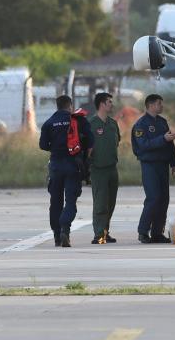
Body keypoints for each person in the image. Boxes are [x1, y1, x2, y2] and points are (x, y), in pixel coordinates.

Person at [39, 93, 93, 248]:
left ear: (57, 106)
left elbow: (43, 145)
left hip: (55, 165)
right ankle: (65, 229)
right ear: (70, 106)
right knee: (70, 201)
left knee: (55, 201)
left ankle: (57, 235)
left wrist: (55, 147)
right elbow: (91, 141)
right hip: (73, 165)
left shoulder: (49, 122)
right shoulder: (78, 120)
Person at [130, 93, 175, 244]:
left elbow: (169, 144)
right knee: (153, 198)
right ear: (150, 105)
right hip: (149, 165)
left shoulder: (162, 122)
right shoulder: (141, 125)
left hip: (163, 165)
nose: (161, 106)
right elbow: (143, 145)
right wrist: (162, 139)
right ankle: (143, 231)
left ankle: (158, 232)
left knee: (164, 199)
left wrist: (174, 163)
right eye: (159, 103)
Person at [88, 91, 121, 244]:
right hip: (98, 169)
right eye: (109, 102)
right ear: (101, 104)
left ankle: (105, 232)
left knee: (110, 202)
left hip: (112, 168)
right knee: (100, 202)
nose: (111, 104)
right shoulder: (91, 124)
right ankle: (98, 233)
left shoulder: (113, 124)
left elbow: (117, 141)